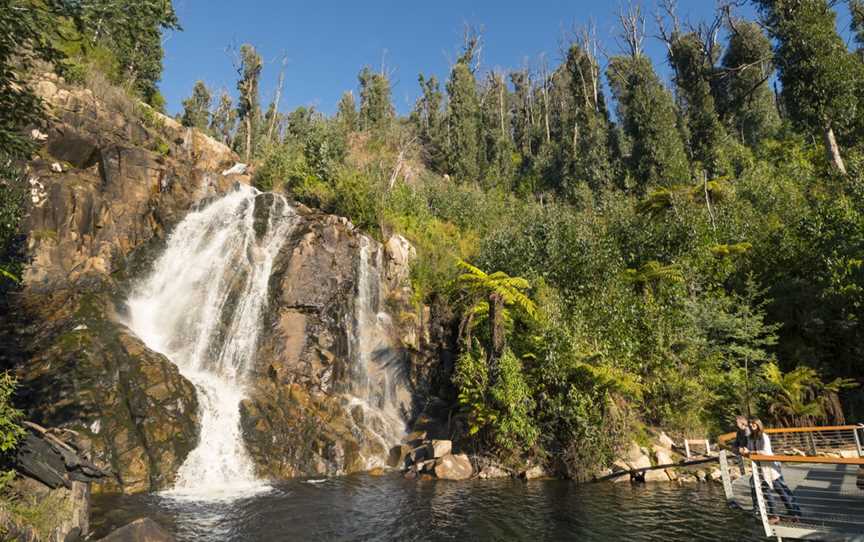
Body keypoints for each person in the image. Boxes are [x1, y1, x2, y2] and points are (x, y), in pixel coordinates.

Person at [741, 418, 802, 524]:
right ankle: (775, 515)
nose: (751, 426)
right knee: (766, 491)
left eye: (753, 424)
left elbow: (766, 452)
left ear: (758, 424)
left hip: (770, 468)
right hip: (759, 469)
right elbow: (750, 451)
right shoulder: (750, 438)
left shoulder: (764, 436)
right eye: (750, 424)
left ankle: (794, 514)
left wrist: (750, 451)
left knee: (781, 491)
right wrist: (745, 451)